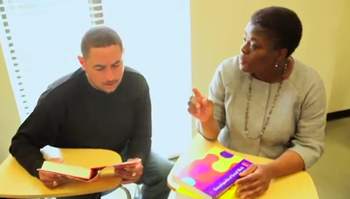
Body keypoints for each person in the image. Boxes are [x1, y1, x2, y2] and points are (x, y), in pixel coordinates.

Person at [9, 26, 174, 199]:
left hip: (120, 154)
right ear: (83, 63)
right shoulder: (58, 96)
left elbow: (142, 134)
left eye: (116, 65)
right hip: (78, 168)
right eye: (100, 68)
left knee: (165, 173)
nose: (110, 76)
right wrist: (39, 167)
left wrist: (138, 159)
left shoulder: (137, 83)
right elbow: (21, 142)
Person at [188, 6, 326, 199]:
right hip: (227, 165)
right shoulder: (227, 71)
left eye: (254, 46)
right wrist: (206, 119)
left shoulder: (309, 84)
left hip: (278, 170)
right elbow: (211, 135)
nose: (243, 49)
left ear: (280, 54)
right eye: (245, 39)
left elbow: (310, 145)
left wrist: (269, 171)